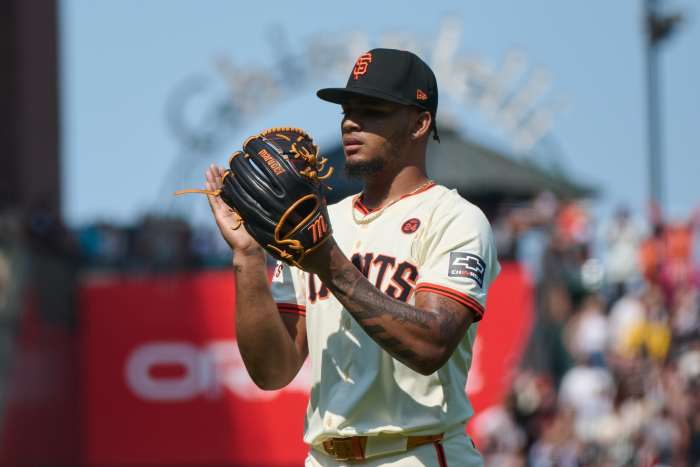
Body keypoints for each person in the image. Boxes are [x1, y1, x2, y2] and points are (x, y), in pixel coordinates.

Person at [204, 48, 500, 466]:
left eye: (372, 110)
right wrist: (248, 258)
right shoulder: (315, 223)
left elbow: (431, 345)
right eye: (346, 110)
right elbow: (273, 372)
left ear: (419, 123)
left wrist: (327, 261)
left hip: (417, 452)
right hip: (324, 457)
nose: (350, 122)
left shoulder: (454, 219)